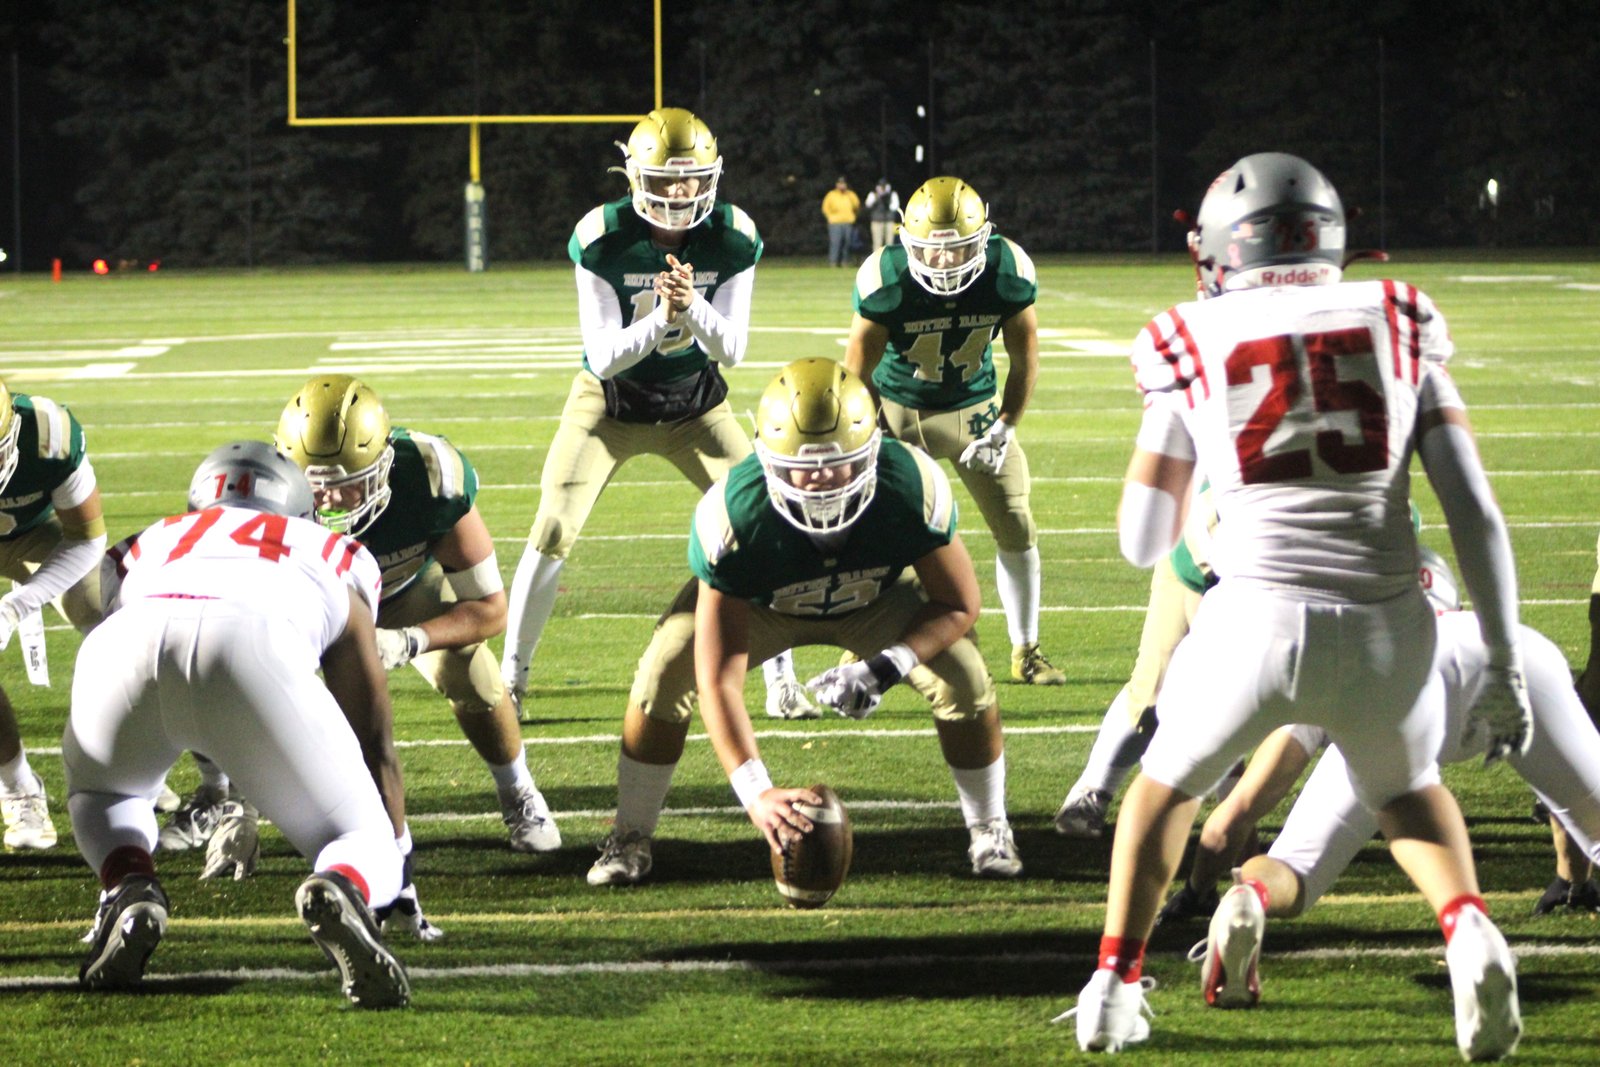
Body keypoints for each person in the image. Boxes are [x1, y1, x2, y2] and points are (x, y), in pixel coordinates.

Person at [1062, 153, 1529, 1062]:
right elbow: (1474, 509)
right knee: (1405, 792)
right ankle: (1470, 929)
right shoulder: (1396, 318)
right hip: (1390, 625)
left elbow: (1141, 537)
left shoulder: (1188, 334)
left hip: (1254, 625)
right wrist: (1504, 663)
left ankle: (1112, 988)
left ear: (1226, 249)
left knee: (1163, 787)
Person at [584, 359, 1021, 887]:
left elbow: (958, 604)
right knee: (666, 667)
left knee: (965, 675)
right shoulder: (734, 513)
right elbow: (718, 676)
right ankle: (630, 834)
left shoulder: (909, 484)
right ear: (764, 457)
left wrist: (887, 666)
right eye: (799, 468)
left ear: (873, 449)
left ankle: (989, 827)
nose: (818, 481)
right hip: (765, 609)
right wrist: (756, 793)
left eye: (838, 465)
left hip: (872, 602)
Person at [498, 106, 815, 726]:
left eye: (691, 179)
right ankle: (511, 678)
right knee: (553, 526)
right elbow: (603, 357)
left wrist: (691, 308)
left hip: (695, 403)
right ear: (634, 178)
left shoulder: (734, 236)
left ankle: (781, 677)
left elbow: (733, 349)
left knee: (770, 522)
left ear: (711, 177)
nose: (679, 191)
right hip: (609, 404)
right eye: (665, 180)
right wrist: (663, 319)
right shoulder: (601, 237)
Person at [63, 442, 410, 1008]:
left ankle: (128, 884)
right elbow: (371, 732)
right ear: (297, 509)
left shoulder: (154, 538)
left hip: (123, 642)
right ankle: (342, 882)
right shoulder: (333, 549)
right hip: (251, 644)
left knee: (104, 794)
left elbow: (144, 640)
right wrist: (394, 853)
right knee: (360, 840)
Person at [1160, 549, 1600, 925]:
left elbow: (1240, 809)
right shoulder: (1469, 625)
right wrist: (1574, 881)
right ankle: (1547, 896)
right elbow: (1564, 792)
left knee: (1294, 869)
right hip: (1517, 655)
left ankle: (1251, 897)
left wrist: (1198, 890)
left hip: (1384, 690)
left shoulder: (1342, 655)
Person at [276, 375, 559, 854]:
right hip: (315, 598)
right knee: (244, 673)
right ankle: (223, 802)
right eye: (316, 487)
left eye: (348, 485)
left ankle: (519, 792)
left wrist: (410, 640)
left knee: (471, 672)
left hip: (406, 588)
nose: (330, 503)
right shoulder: (272, 494)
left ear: (383, 463)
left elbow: (490, 610)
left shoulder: (430, 476)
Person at [845, 175, 1066, 687]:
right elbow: (856, 372)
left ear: (983, 239)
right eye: (932, 250)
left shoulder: (1006, 269)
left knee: (1015, 523)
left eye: (960, 248)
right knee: (875, 530)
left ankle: (1026, 649)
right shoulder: (887, 279)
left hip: (976, 410)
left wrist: (1008, 423)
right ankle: (863, 646)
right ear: (908, 242)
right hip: (899, 411)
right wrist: (869, 435)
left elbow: (1025, 353)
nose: (944, 261)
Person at [0, 380, 108, 851]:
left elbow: (86, 537)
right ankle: (19, 786)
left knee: (114, 618)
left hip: (37, 536)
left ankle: (128, 761)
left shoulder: (48, 436)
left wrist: (17, 605)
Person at [822, 175, 861, 267]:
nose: (842, 185)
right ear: (837, 185)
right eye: (840, 184)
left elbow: (857, 206)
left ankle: (845, 262)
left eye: (843, 183)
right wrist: (830, 217)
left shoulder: (851, 195)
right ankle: (833, 262)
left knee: (847, 243)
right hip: (835, 223)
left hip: (848, 222)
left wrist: (853, 216)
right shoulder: (831, 195)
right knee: (835, 243)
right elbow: (825, 208)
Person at [864, 178, 900, 253]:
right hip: (876, 221)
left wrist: (886, 198)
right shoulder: (873, 194)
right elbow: (868, 204)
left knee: (889, 242)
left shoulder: (892, 194)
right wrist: (877, 197)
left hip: (889, 221)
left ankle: (889, 259)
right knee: (877, 243)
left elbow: (894, 207)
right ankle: (876, 260)